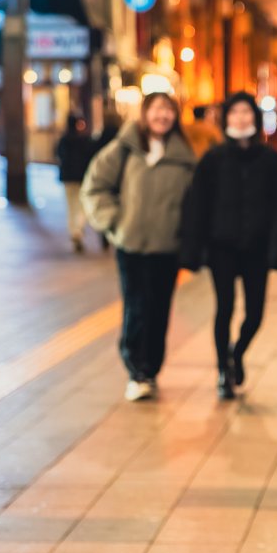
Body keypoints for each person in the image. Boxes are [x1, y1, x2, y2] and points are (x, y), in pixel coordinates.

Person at [81, 92, 196, 401]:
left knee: (160, 310)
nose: (163, 116)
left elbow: (195, 202)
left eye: (169, 110)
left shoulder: (184, 155)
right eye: (157, 109)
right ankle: (136, 371)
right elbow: (94, 187)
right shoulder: (123, 148)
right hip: (130, 245)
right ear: (145, 114)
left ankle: (151, 370)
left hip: (167, 247)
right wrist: (115, 222)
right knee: (136, 307)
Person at [181, 92, 277, 400]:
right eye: (235, 113)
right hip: (222, 248)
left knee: (255, 313)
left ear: (255, 119)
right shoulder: (214, 159)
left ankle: (237, 353)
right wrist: (193, 248)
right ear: (226, 118)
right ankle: (222, 371)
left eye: (246, 112)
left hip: (256, 249)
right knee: (225, 308)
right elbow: (197, 205)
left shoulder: (271, 160)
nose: (241, 118)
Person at [56, 112, 94, 252]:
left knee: (71, 205)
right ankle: (79, 228)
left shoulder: (63, 140)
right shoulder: (84, 140)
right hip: (81, 178)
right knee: (82, 204)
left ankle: (74, 231)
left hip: (67, 177)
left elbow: (58, 155)